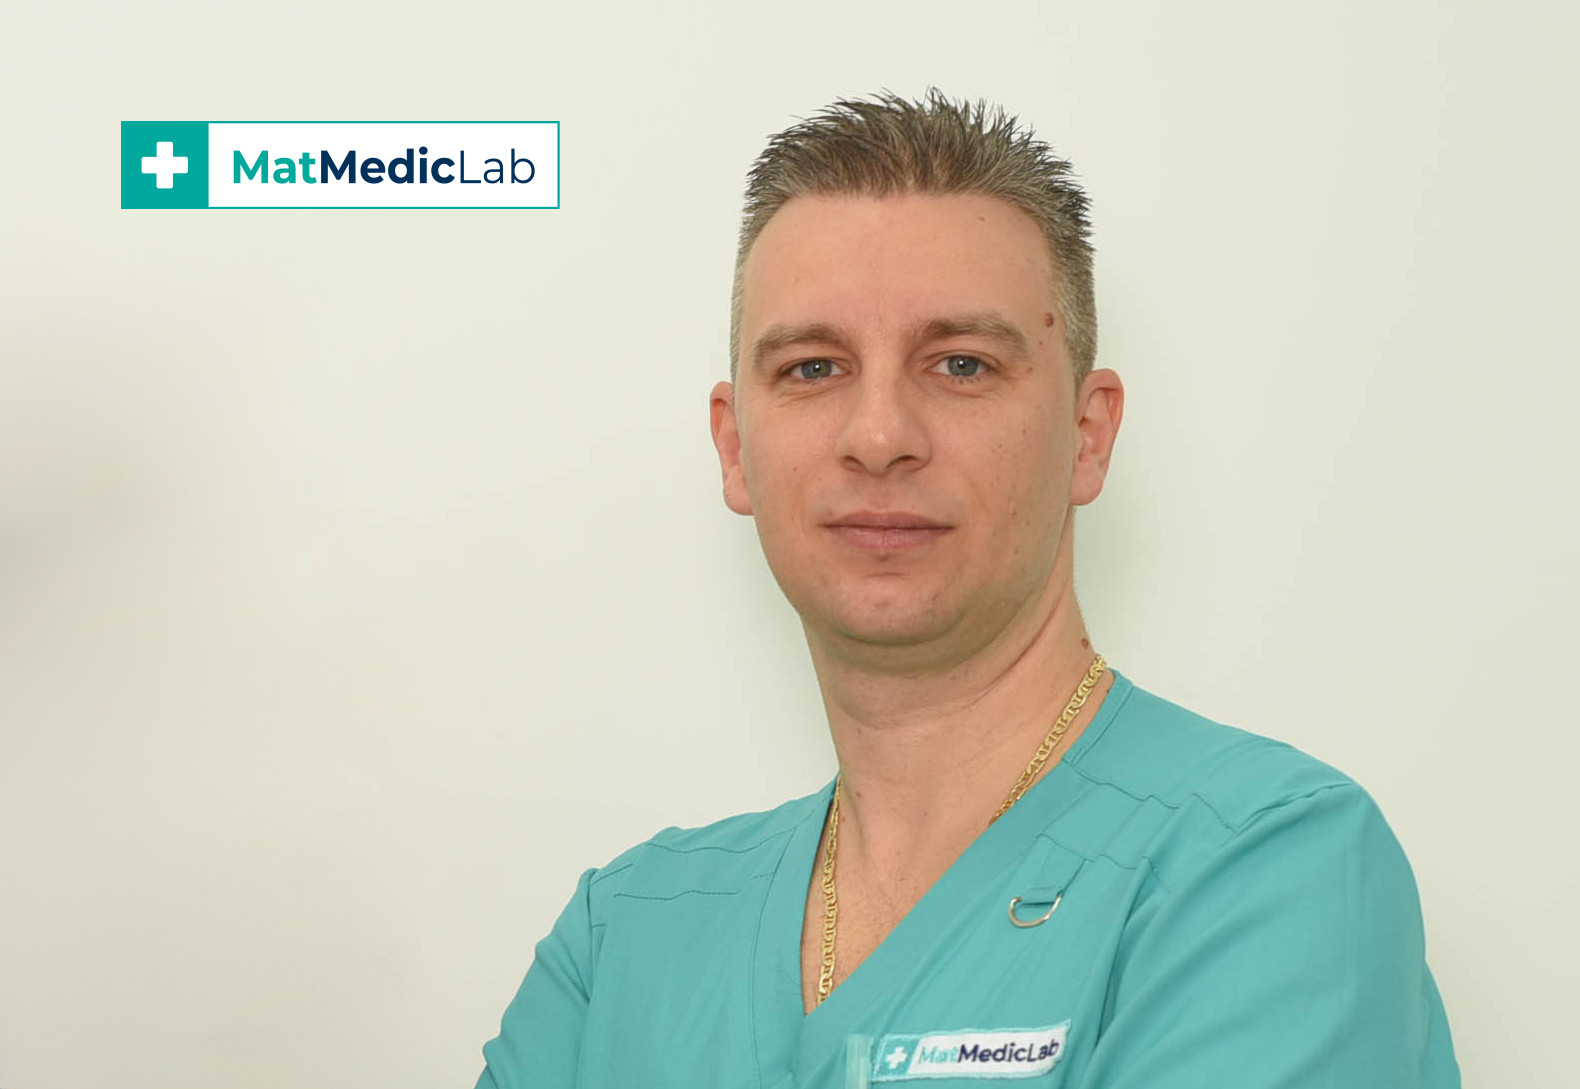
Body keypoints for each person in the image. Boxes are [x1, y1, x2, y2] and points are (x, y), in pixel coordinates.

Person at [473, 88, 1460, 1088]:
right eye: (812, 369)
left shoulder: (1264, 866)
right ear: (735, 449)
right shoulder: (626, 936)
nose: (878, 436)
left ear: (1087, 434)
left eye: (959, 364)